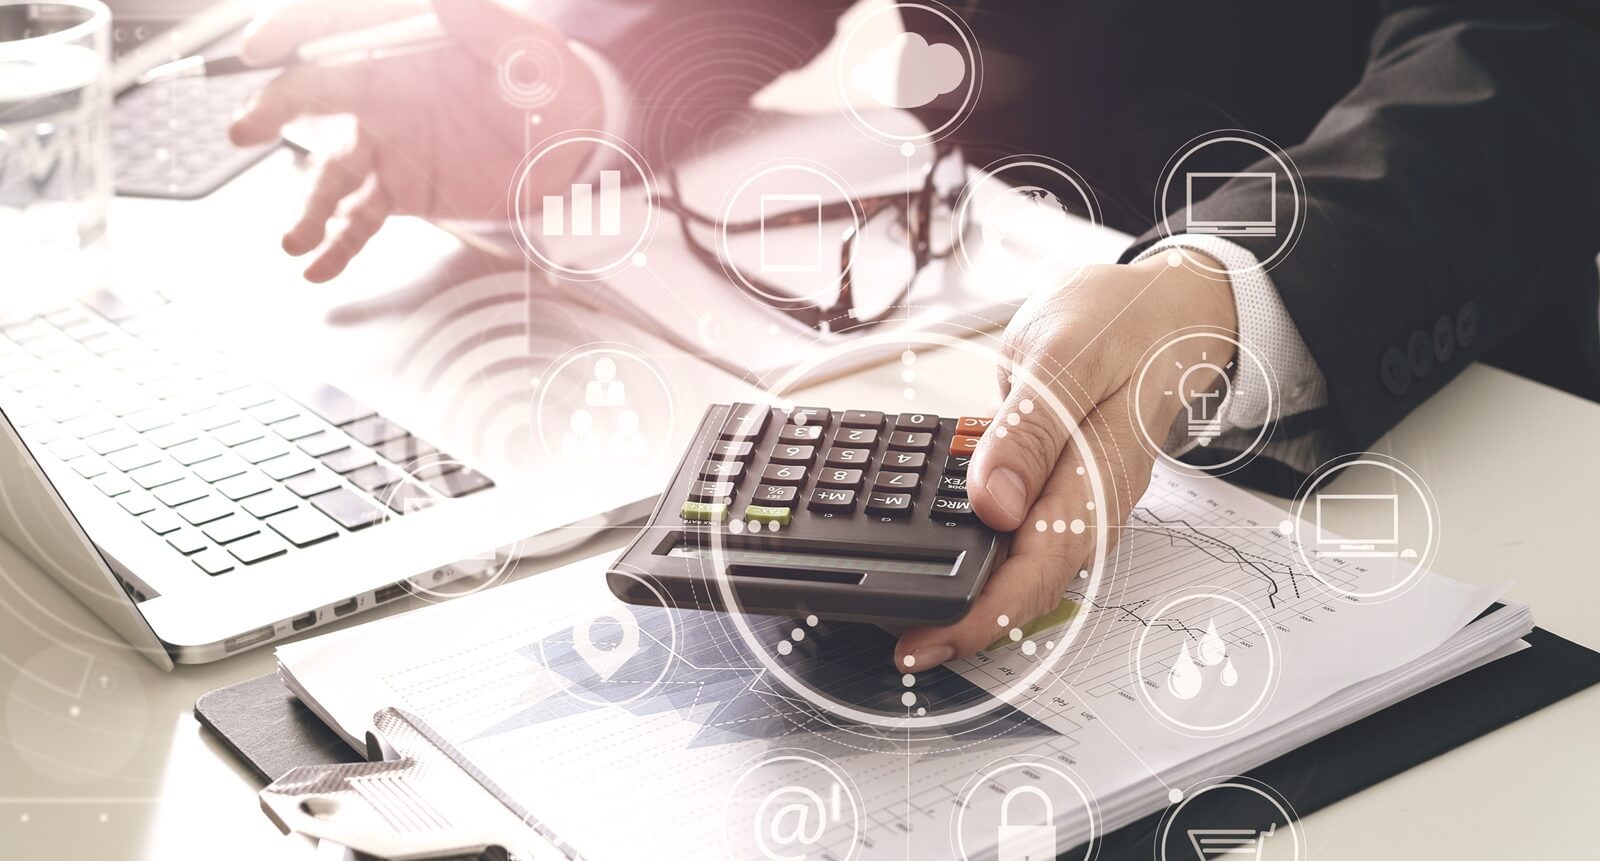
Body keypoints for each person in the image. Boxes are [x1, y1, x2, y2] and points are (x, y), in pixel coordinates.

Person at [229, 0, 1600, 670]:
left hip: (1424, 323)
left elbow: (1537, 56)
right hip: (948, 269)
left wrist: (1225, 281)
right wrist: (578, 89)